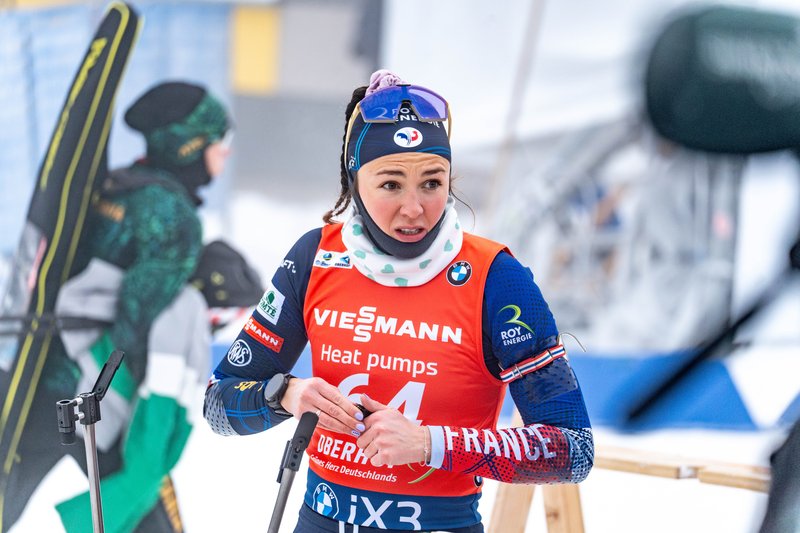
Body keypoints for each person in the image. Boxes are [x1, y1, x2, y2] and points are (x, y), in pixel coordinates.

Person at [204, 70, 594, 533]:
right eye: (391, 184)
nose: (414, 207)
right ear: (355, 181)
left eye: (432, 182)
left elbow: (572, 449)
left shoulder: (497, 279)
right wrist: (286, 394)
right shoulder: (315, 259)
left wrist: (431, 444)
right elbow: (217, 403)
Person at [0, 81, 233, 532]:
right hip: (93, 395)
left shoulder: (111, 186)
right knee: (145, 514)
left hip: (31, 376)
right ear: (188, 145)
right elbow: (137, 326)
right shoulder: (172, 215)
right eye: (218, 141)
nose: (224, 153)